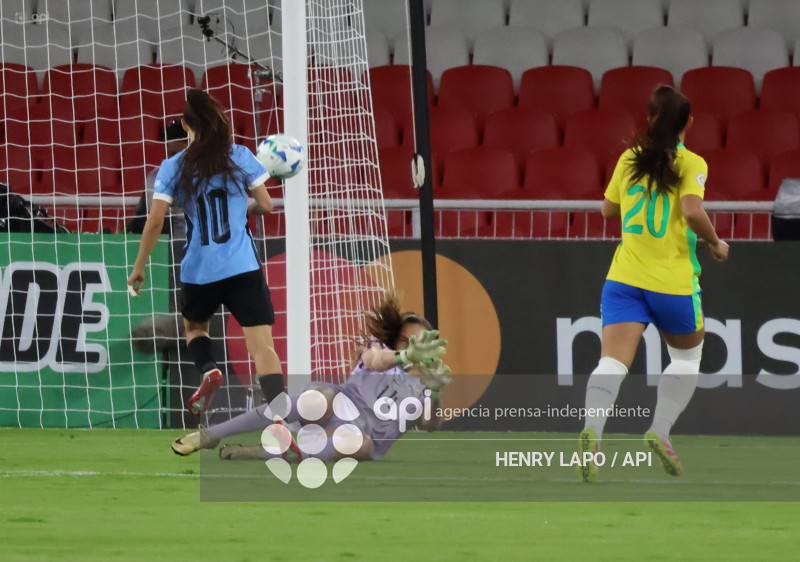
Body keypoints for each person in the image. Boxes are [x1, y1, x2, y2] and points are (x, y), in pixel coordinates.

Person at [578, 85, 730, 483]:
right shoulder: (691, 162)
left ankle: (593, 432)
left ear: (649, 118)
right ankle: (660, 430)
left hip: (624, 279)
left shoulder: (629, 158)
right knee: (686, 361)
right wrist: (715, 243)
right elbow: (691, 210)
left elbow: (607, 209)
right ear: (689, 122)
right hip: (673, 283)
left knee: (611, 363)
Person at [127, 88, 285, 416]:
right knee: (262, 347)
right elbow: (268, 205)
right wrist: (245, 209)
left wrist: (139, 266)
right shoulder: (239, 155)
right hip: (242, 266)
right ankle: (281, 416)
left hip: (199, 270)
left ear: (185, 125)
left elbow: (154, 221)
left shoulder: (172, 166)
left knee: (195, 329)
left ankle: (209, 369)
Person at [170, 293, 452, 463]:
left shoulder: (419, 390)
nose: (409, 347)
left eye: (416, 343)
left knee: (363, 444)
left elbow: (430, 424)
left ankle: (262, 452)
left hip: (351, 437)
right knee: (317, 399)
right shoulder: (380, 352)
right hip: (335, 408)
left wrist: (436, 392)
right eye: (405, 340)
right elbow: (375, 360)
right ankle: (210, 435)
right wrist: (404, 356)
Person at [126, 119, 189, 235]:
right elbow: (147, 218)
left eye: (182, 154)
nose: (176, 159)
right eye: (173, 154)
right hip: (165, 242)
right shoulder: (155, 178)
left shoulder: (206, 177)